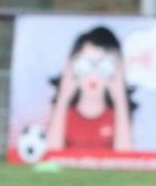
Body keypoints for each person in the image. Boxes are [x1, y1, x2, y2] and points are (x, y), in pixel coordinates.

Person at [44, 24, 132, 152]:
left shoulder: (116, 116)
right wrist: (63, 97)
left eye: (103, 66)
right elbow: (51, 154)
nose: (93, 74)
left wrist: (120, 99)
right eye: (85, 65)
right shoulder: (65, 115)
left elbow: (127, 158)